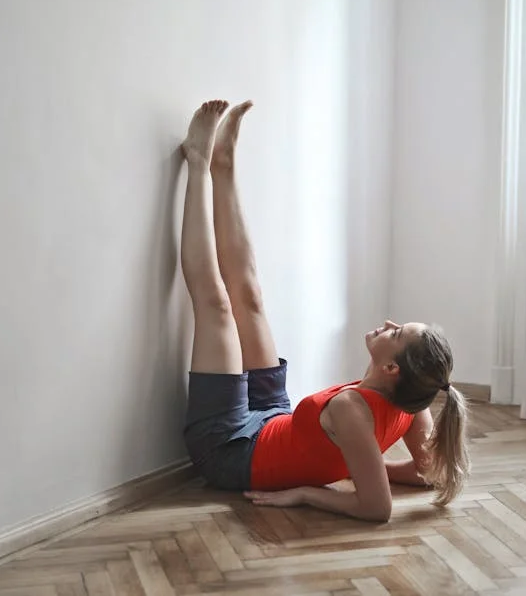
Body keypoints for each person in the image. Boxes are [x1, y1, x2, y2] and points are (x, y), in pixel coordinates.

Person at [179, 100, 470, 522]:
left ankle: (197, 163)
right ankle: (223, 166)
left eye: (397, 332)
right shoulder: (412, 398)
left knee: (217, 306)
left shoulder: (356, 410)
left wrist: (307, 493)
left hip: (227, 449)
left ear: (392, 368)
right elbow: (430, 472)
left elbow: (378, 508)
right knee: (252, 297)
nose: (388, 324)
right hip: (273, 421)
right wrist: (370, 465)